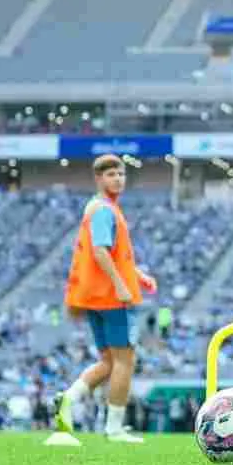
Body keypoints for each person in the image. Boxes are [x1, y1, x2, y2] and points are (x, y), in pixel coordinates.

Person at [53, 154, 157, 443]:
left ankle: (68, 399)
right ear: (99, 179)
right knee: (125, 360)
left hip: (95, 297)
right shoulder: (104, 211)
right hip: (111, 298)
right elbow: (100, 250)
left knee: (109, 362)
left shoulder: (97, 208)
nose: (118, 179)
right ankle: (114, 428)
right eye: (111, 175)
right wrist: (122, 285)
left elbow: (110, 253)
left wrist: (137, 275)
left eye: (121, 174)